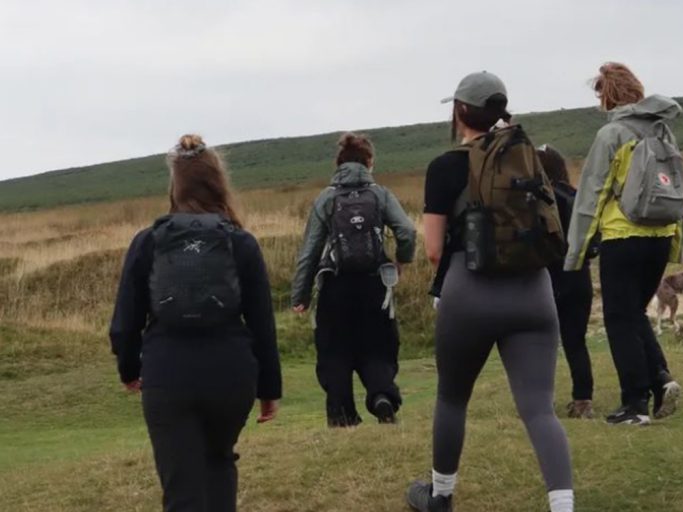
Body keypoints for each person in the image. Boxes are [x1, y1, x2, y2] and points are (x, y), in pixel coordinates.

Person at [406, 71, 575, 512]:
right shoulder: (528, 159)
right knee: (540, 409)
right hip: (534, 292)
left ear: (460, 110)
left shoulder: (444, 166)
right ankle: (563, 506)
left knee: (452, 396)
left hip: (470, 291)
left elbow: (433, 250)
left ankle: (440, 496)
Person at [110, 134, 282, 512]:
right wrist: (269, 388)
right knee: (219, 462)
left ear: (175, 186)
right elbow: (262, 324)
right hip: (231, 373)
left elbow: (124, 323)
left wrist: (129, 368)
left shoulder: (148, 242)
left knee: (181, 489)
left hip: (168, 374)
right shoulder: (241, 243)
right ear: (218, 183)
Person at [564, 62, 683, 425]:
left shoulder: (611, 135)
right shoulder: (664, 132)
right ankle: (661, 380)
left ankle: (635, 404)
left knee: (618, 319)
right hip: (660, 237)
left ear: (609, 95)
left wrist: (576, 253)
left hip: (622, 236)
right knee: (633, 314)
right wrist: (676, 240)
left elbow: (591, 196)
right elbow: (678, 188)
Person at [291, 133, 416, 427]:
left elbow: (309, 251)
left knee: (334, 350)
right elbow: (407, 231)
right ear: (369, 162)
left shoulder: (327, 198)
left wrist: (301, 295)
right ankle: (382, 395)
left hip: (335, 285)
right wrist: (402, 260)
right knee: (379, 345)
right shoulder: (381, 195)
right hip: (374, 284)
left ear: (338, 164)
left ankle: (341, 414)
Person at [538, 144, 596, 419]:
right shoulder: (577, 196)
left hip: (550, 276)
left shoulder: (542, 199)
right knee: (576, 341)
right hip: (580, 274)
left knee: (541, 342)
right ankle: (583, 399)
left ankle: (539, 400)